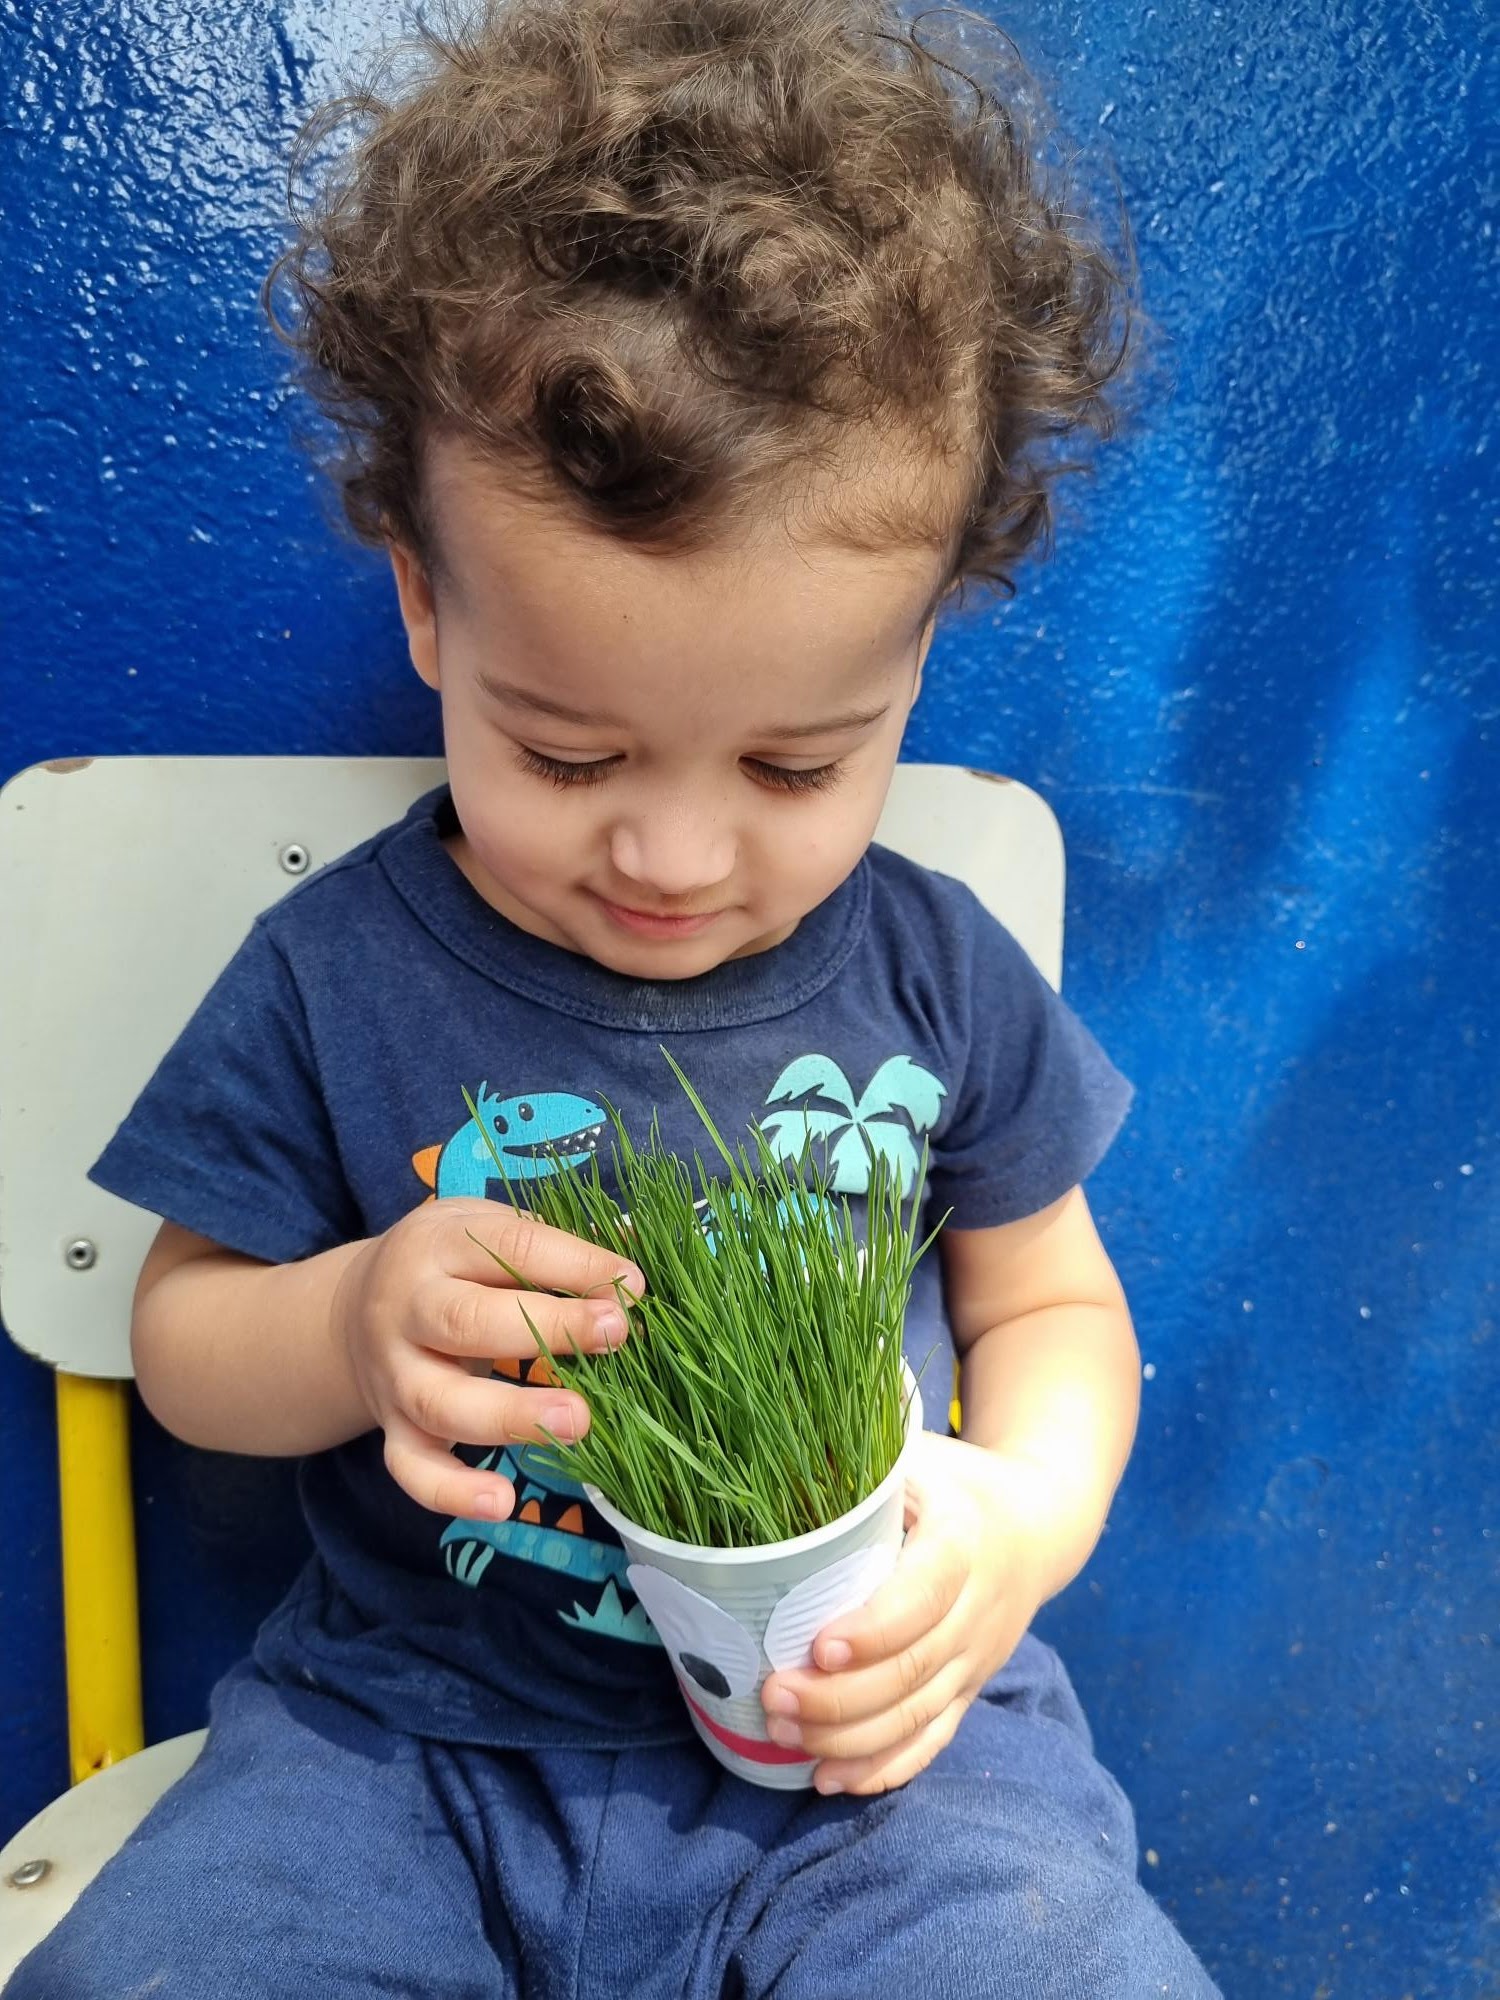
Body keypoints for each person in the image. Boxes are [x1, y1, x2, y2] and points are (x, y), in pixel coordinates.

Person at [6, 3, 1220, 1993]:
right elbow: (186, 1339)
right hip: (399, 1750)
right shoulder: (335, 969)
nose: (671, 855)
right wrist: (355, 1317)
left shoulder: (932, 968)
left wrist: (1020, 1522)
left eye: (795, 765)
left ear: (916, 661)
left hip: (870, 1764)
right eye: (566, 755)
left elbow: (1054, 1308)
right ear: (426, 605)